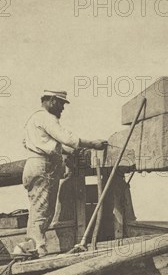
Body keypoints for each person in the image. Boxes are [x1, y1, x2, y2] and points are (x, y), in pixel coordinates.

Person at [17, 90, 107, 257]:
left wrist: (67, 153)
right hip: (44, 166)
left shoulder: (32, 119)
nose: (62, 108)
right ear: (51, 100)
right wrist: (93, 144)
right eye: (60, 103)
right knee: (43, 209)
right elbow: (67, 139)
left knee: (38, 208)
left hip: (33, 165)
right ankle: (35, 248)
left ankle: (33, 245)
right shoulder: (46, 118)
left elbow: (46, 143)